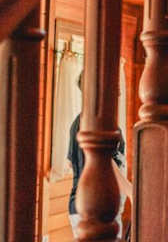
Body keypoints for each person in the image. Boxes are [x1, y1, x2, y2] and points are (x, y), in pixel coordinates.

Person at [68, 71, 132, 238]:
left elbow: (71, 162)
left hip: (90, 205)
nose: (119, 92)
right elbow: (104, 162)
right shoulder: (93, 122)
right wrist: (131, 191)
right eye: (114, 87)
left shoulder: (81, 121)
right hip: (94, 208)